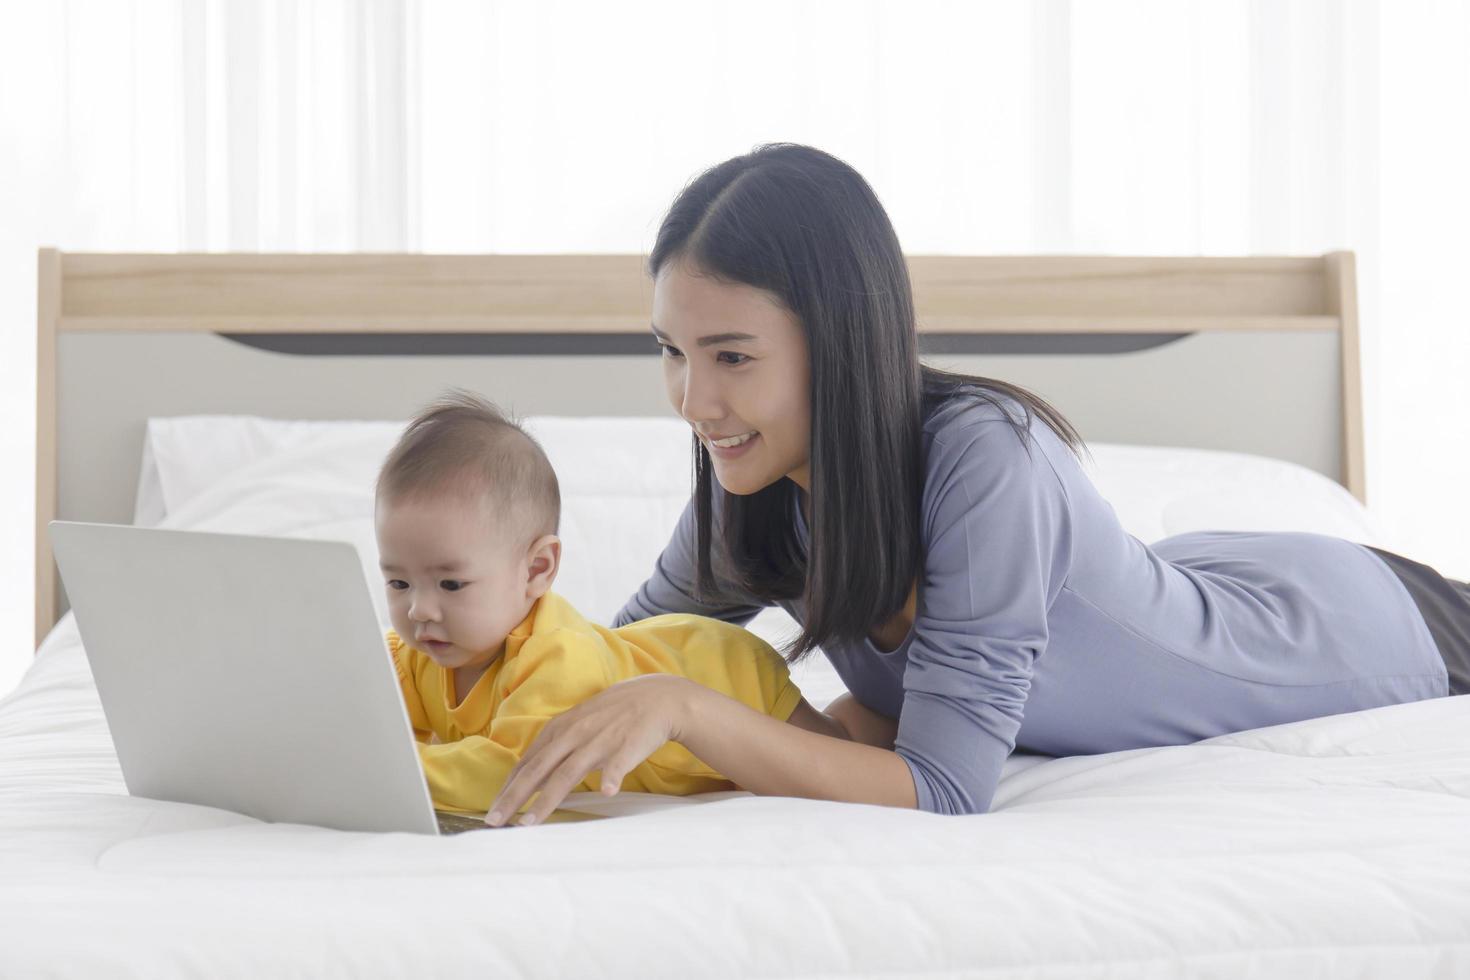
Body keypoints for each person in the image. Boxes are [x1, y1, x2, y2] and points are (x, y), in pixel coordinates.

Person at [483, 143, 1470, 826]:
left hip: (1340, 627)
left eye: (732, 355)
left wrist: (693, 709)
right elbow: (607, 660)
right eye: (671, 352)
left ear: (838, 341)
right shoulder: (752, 472)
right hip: (1198, 575)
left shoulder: (983, 457)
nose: (693, 401)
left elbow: (947, 787)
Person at [375, 389, 854, 819]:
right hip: (664, 658)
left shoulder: (556, 658)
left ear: (537, 570)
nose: (419, 610)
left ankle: (875, 714)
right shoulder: (414, 652)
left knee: (836, 759)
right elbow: (375, 727)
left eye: (451, 585)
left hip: (722, 674)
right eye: (398, 584)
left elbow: (512, 769)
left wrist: (379, 768)